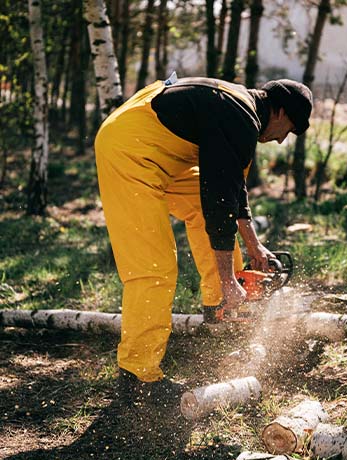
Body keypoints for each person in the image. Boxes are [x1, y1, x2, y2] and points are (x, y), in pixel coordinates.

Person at [94, 74, 313, 407]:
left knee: (201, 206)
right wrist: (228, 277)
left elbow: (233, 190)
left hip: (156, 147)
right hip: (130, 152)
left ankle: (221, 306)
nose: (283, 140)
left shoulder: (241, 109)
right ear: (281, 112)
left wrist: (255, 247)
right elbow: (219, 203)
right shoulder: (240, 118)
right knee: (154, 269)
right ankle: (137, 375)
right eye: (290, 130)